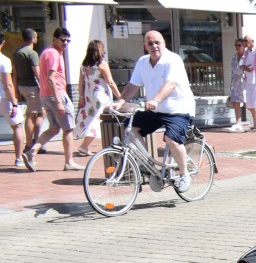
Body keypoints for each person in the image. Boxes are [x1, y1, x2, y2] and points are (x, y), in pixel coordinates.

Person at [113, 30, 196, 193]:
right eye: (150, 43)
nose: (154, 46)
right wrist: (120, 102)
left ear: (164, 43)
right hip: (156, 110)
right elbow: (132, 85)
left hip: (178, 109)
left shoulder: (173, 60)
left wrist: (155, 100)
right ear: (145, 46)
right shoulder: (143, 62)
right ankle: (150, 167)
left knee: (171, 140)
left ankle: (185, 174)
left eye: (157, 42)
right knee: (131, 128)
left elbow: (170, 84)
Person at [24, 27, 79, 172]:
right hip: (56, 94)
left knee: (54, 128)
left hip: (45, 95)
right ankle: (69, 162)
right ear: (54, 39)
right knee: (68, 129)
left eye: (68, 40)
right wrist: (59, 101)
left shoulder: (47, 52)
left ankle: (32, 151)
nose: (65, 43)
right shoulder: (53, 54)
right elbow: (50, 78)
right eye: (62, 40)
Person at [71, 39, 121, 157]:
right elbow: (110, 82)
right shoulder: (102, 65)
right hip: (101, 95)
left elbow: (81, 83)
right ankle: (85, 146)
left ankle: (87, 146)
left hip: (89, 96)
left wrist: (81, 97)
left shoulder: (84, 66)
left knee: (90, 119)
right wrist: (120, 97)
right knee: (98, 121)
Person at [13, 28, 42, 167]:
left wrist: (15, 90)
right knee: (33, 114)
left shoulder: (17, 53)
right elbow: (37, 72)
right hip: (32, 87)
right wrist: (44, 85)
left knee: (36, 113)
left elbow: (14, 73)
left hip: (21, 86)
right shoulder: (32, 53)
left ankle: (35, 141)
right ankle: (31, 144)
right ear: (34, 37)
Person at [0, 37, 23, 169]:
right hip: (4, 98)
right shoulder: (4, 60)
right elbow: (8, 84)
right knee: (17, 126)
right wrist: (14, 102)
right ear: (3, 43)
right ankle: (19, 158)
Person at [226, 37, 248, 131]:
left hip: (245, 83)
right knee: (236, 103)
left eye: (239, 45)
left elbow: (248, 69)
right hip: (236, 83)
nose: (237, 47)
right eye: (236, 45)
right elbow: (234, 70)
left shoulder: (247, 56)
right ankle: (238, 123)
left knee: (249, 103)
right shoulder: (234, 57)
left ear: (243, 46)